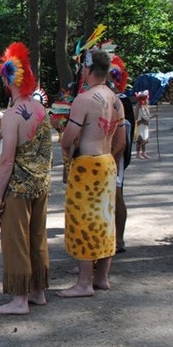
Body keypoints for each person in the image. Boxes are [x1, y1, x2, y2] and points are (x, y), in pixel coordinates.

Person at [0, 42, 52, 315]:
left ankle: (19, 299)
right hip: (41, 185)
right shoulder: (41, 111)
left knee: (16, 240)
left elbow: (6, 160)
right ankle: (38, 291)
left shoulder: (12, 116)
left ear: (7, 78)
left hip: (19, 188)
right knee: (37, 237)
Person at [57, 49, 126, 298]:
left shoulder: (84, 99)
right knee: (106, 220)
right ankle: (102, 277)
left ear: (87, 70)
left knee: (84, 221)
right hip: (107, 162)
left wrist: (66, 147)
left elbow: (69, 138)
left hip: (87, 165)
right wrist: (112, 159)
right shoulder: (115, 99)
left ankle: (84, 283)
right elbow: (121, 138)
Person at [108, 55, 134, 254]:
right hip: (109, 157)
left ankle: (119, 239)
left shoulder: (121, 101)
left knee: (117, 196)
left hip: (116, 157)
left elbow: (124, 135)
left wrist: (116, 158)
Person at [134, 90, 152, 159]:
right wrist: (150, 118)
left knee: (144, 138)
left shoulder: (144, 107)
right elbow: (145, 117)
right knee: (140, 139)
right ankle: (138, 153)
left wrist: (151, 116)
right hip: (140, 125)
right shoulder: (141, 107)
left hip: (144, 125)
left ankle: (143, 152)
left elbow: (147, 116)